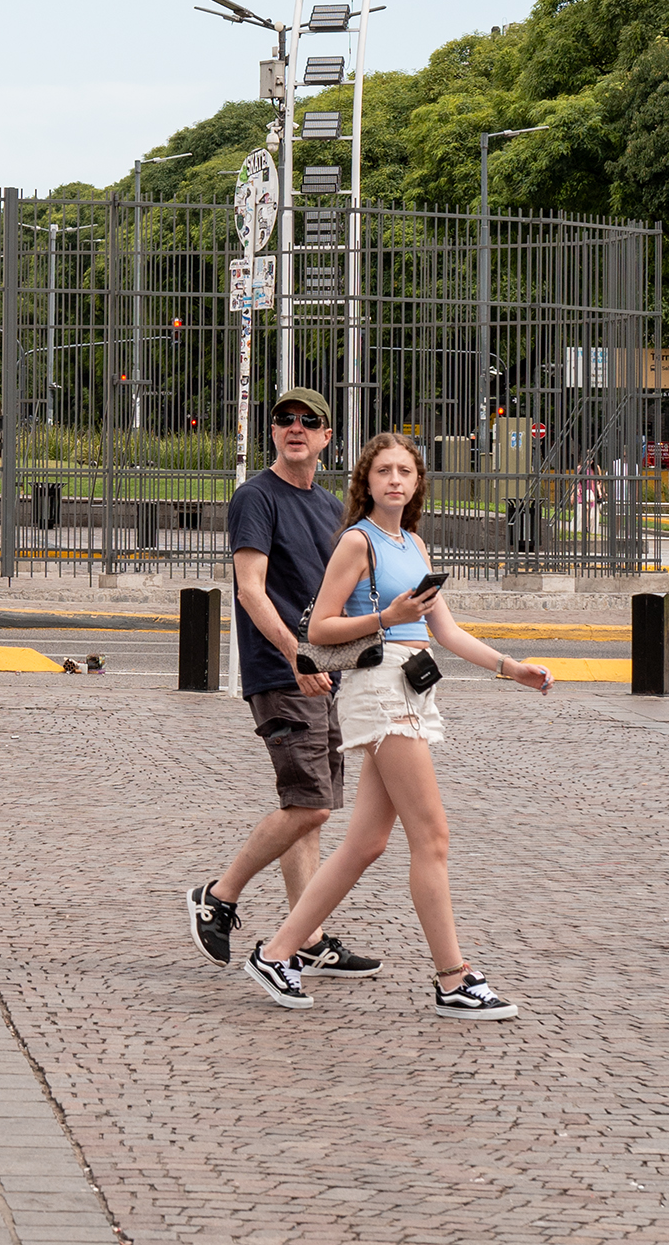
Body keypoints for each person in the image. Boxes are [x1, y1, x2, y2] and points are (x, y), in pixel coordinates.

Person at [246, 431, 552, 1022]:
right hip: (379, 689)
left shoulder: (414, 544)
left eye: (404, 471)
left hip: (412, 686)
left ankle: (278, 951)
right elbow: (320, 631)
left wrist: (512, 668)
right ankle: (453, 978)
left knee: (366, 843)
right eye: (383, 470)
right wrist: (387, 615)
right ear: (367, 481)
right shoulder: (357, 543)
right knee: (431, 837)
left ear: (416, 483)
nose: (394, 480)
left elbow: (447, 632)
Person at [185, 385, 377, 980]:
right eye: (284, 419)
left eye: (308, 421)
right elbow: (250, 589)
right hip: (284, 670)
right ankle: (218, 895)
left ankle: (306, 936)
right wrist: (299, 656)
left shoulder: (327, 507)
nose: (295, 427)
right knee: (310, 806)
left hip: (324, 674)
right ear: (274, 431)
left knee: (308, 808)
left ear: (325, 437)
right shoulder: (256, 497)